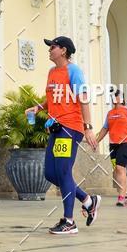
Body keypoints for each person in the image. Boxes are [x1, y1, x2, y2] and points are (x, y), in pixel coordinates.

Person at [25, 36, 101, 235]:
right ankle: (88, 200)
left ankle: (69, 221)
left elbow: (83, 99)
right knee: (51, 173)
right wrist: (38, 107)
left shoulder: (74, 71)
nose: (50, 50)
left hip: (70, 128)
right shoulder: (52, 72)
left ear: (64, 50)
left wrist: (88, 127)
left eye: (53, 46)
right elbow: (52, 99)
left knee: (64, 172)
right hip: (56, 128)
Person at [94, 87, 127, 206]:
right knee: (118, 171)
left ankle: (121, 197)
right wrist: (96, 141)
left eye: (117, 96)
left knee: (119, 168)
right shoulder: (110, 113)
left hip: (126, 144)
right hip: (113, 145)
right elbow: (105, 129)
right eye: (113, 96)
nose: (114, 98)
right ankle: (125, 195)